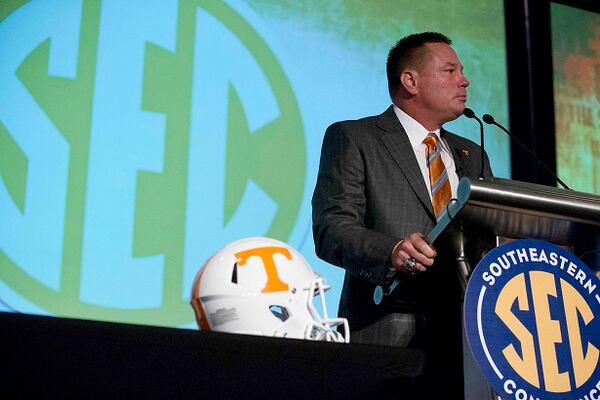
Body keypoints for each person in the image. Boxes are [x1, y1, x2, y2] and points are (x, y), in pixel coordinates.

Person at [311, 32, 493, 397]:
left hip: (469, 343)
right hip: (390, 334)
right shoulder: (355, 137)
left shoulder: (472, 154)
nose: (464, 79)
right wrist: (391, 250)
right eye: (450, 69)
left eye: (462, 70)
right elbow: (332, 227)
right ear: (410, 80)